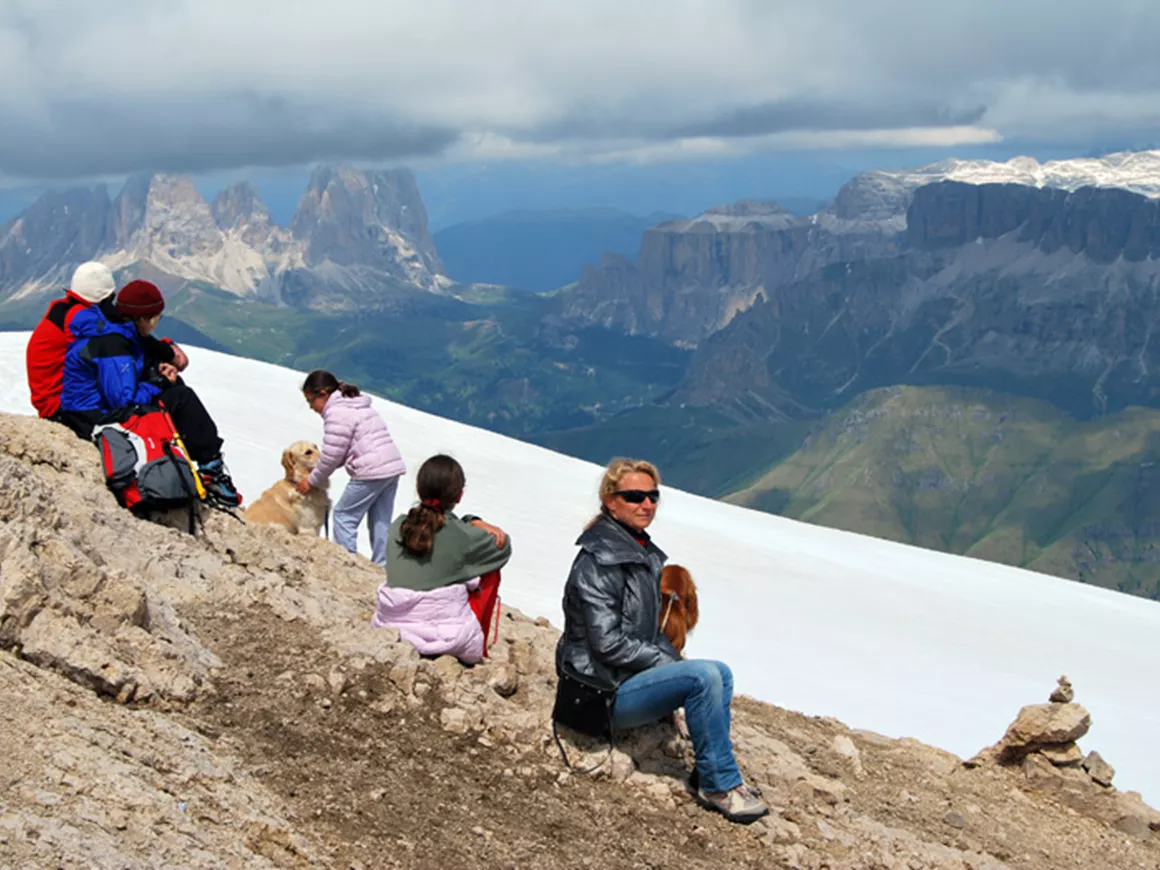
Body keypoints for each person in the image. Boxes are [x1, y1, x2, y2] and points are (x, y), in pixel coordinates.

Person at [554, 458, 769, 824]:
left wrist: (672, 665)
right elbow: (607, 645)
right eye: (635, 496)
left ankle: (710, 772)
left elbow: (647, 633)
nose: (647, 504)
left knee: (719, 674)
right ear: (611, 501)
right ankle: (718, 786)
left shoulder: (637, 553)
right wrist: (668, 665)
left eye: (653, 496)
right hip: (597, 693)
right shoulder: (599, 562)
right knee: (705, 677)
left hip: (621, 680)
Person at [59, 279, 241, 506]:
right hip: (91, 419)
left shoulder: (113, 330)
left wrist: (157, 375)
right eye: (156, 318)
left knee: (174, 388)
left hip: (86, 411)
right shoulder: (113, 344)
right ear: (142, 318)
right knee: (182, 397)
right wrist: (158, 382)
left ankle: (204, 467)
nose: (156, 324)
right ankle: (212, 471)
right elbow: (123, 401)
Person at [371, 454, 511, 663]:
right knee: (489, 570)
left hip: (391, 624)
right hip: (445, 638)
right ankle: (478, 648)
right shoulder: (462, 535)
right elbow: (504, 547)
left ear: (418, 486)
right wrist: (474, 521)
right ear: (459, 496)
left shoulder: (399, 525)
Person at [297, 371, 406, 566]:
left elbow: (331, 455)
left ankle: (347, 564)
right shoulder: (355, 403)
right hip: (391, 465)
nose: (311, 407)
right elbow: (341, 451)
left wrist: (312, 480)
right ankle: (383, 565)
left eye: (311, 401)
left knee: (343, 515)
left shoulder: (336, 412)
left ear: (323, 393)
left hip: (370, 470)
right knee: (381, 519)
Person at [26, 262, 118, 421]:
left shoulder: (66, 311)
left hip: (53, 403)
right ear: (105, 298)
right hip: (62, 407)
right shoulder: (79, 318)